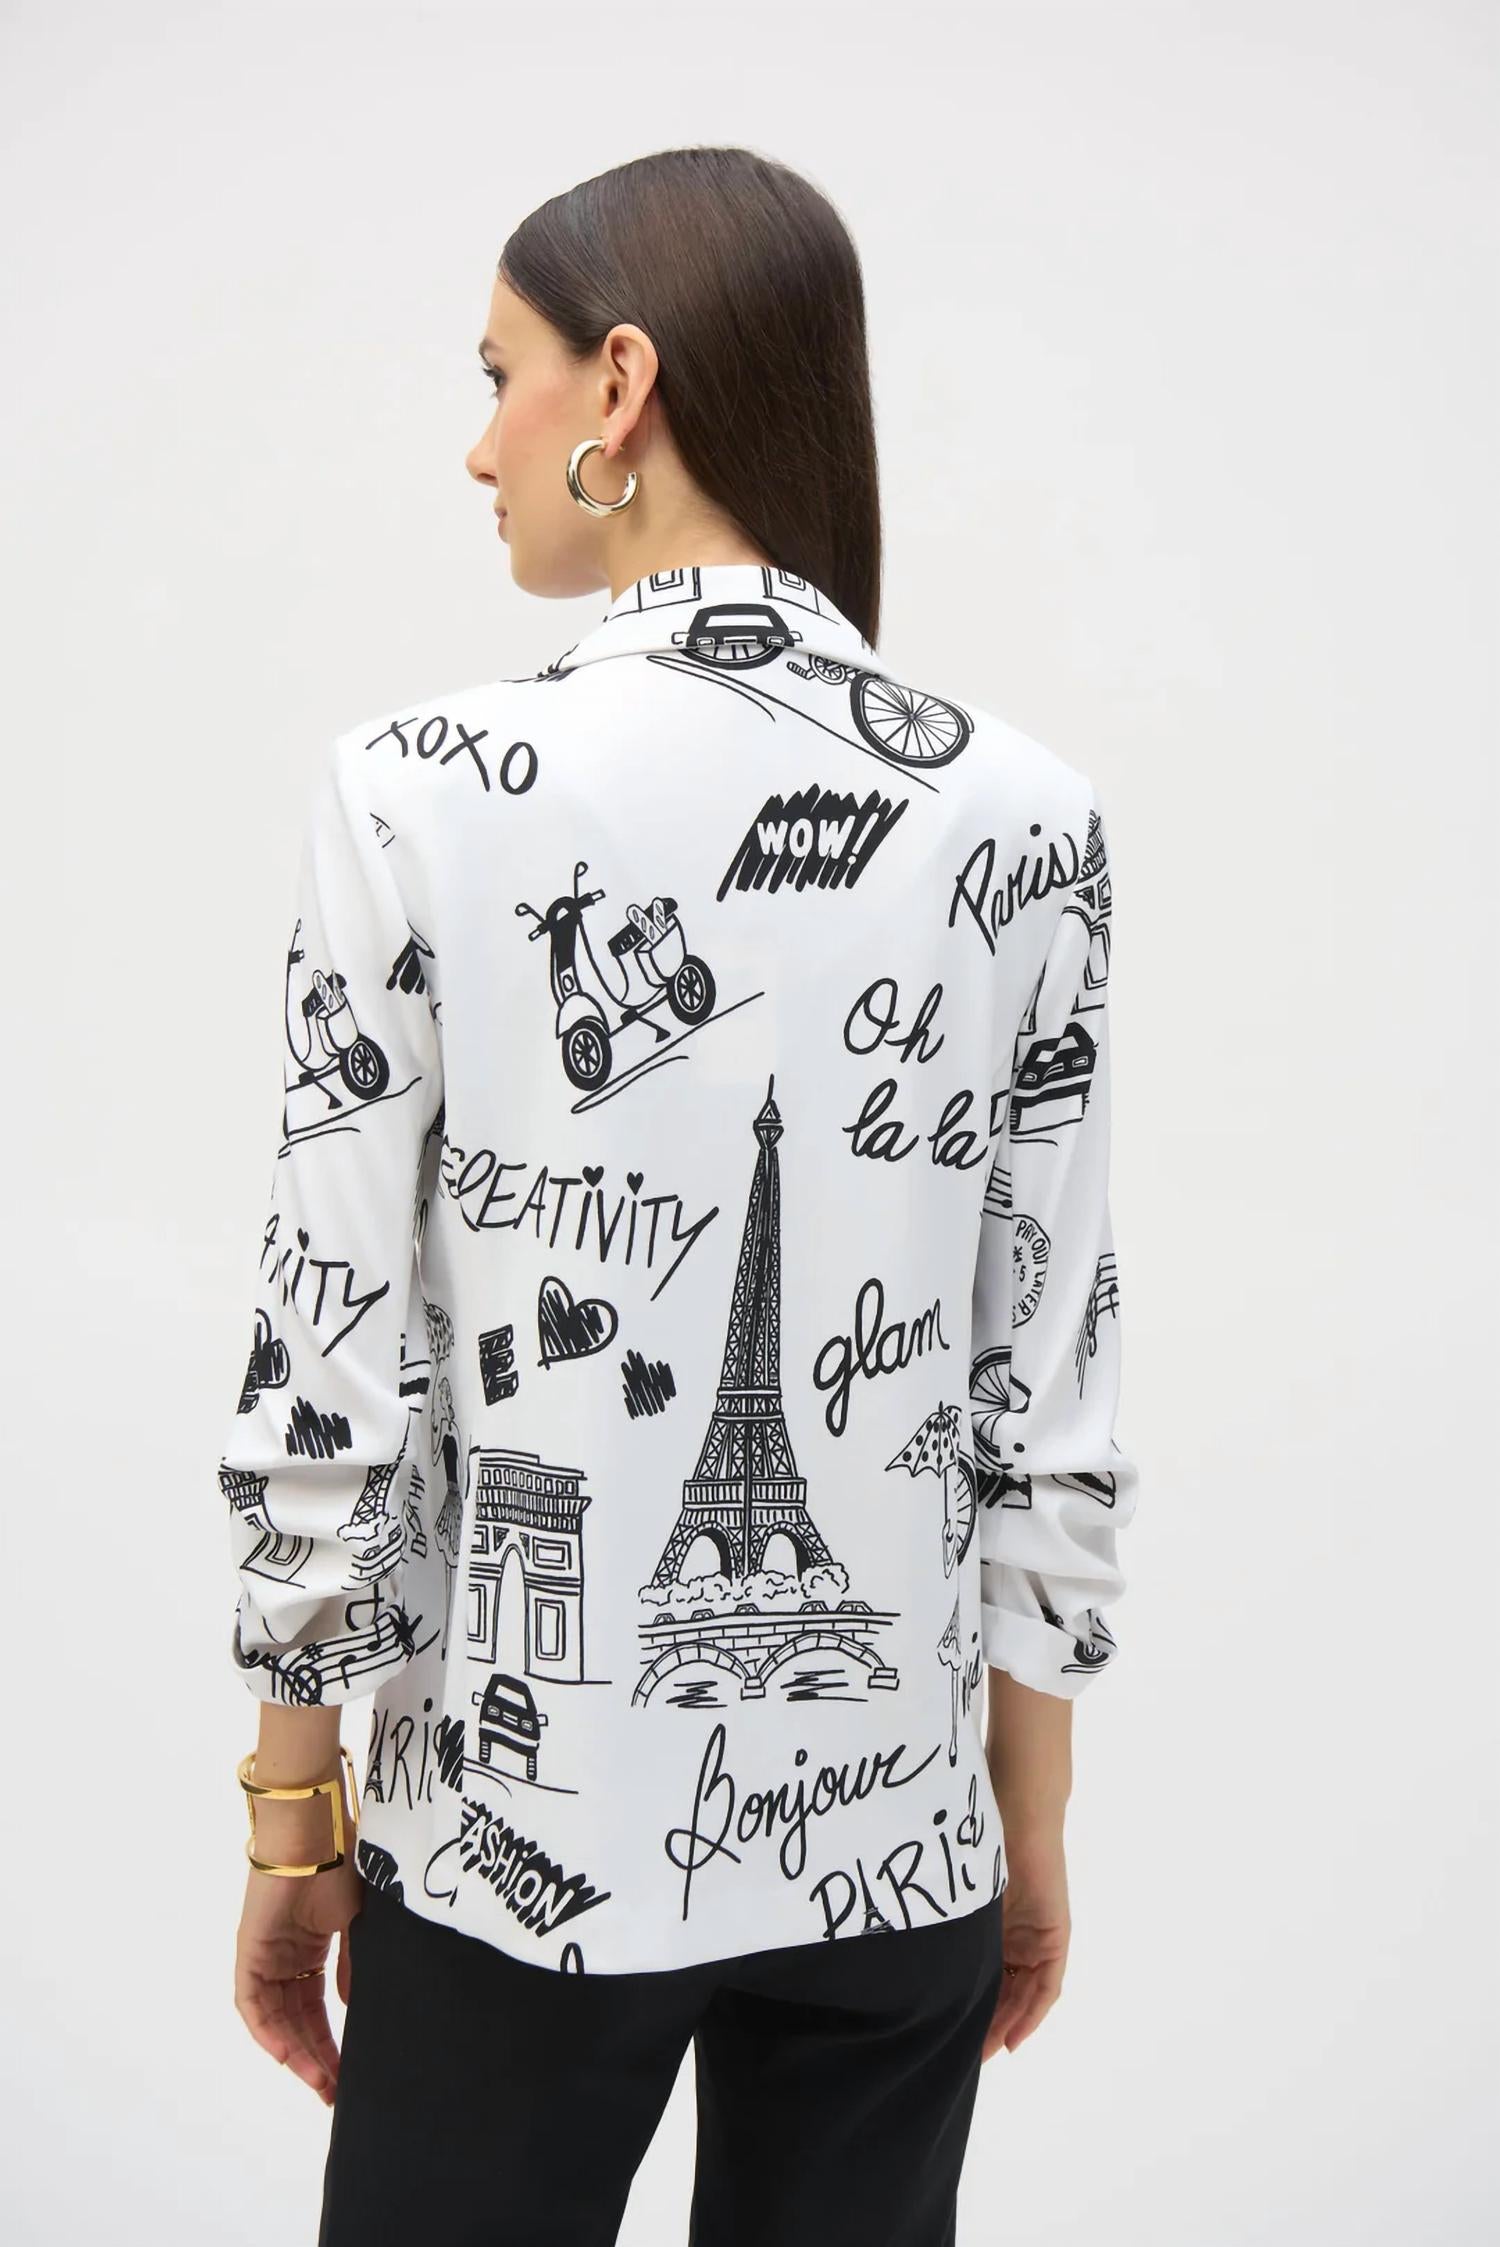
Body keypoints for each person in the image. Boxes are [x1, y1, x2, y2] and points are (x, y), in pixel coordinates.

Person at [222, 144, 1140, 2247]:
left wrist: (293, 1805)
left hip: (514, 1852)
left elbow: (326, 1355)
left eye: (501, 375)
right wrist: (1028, 1814)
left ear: (619, 385)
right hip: (899, 1856)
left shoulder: (411, 797)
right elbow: (1048, 1379)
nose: (480, 446)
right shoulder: (1030, 816)